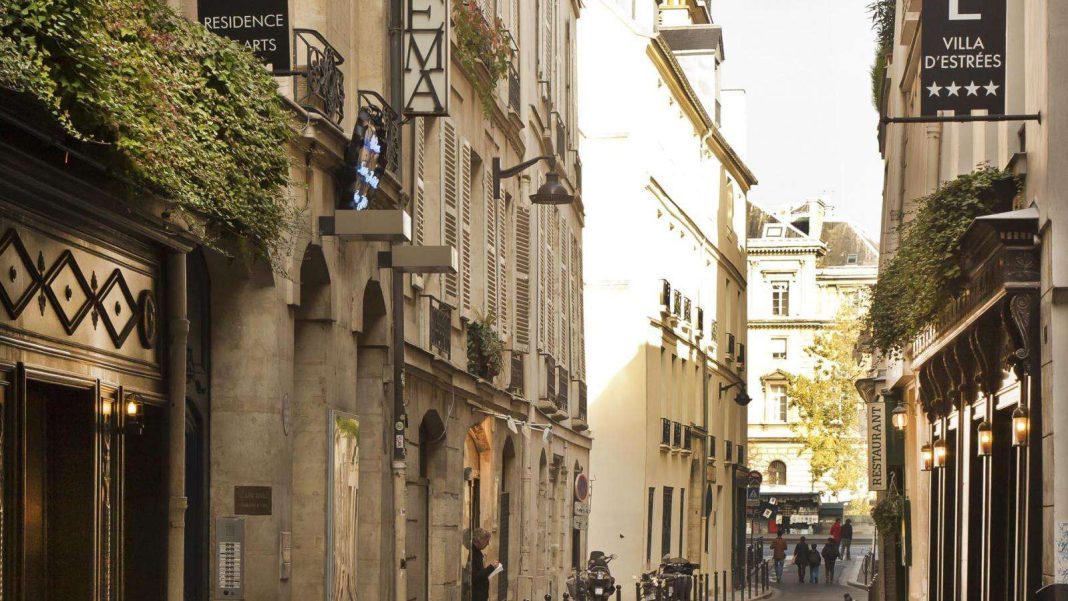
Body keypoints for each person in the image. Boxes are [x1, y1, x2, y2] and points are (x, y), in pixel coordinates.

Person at [469, 528, 499, 601]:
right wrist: (491, 567)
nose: (488, 544)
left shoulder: (478, 552)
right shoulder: (473, 554)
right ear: (480, 541)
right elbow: (475, 576)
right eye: (487, 541)